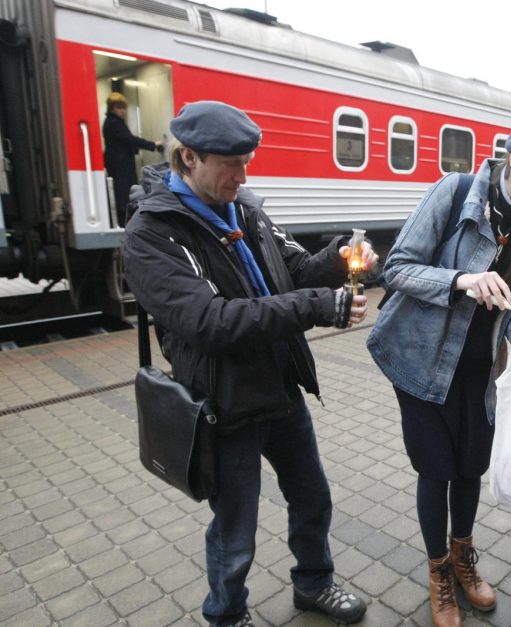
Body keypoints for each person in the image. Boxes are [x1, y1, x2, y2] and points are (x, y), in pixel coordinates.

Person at [123, 101, 375, 627]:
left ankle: (314, 585)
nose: (243, 175)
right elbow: (209, 321)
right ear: (187, 157)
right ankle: (226, 615)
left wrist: (337, 257)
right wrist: (318, 308)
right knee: (236, 526)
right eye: (230, 164)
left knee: (313, 497)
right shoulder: (153, 233)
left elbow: (297, 268)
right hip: (224, 402)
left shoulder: (246, 209)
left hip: (281, 388)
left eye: (247, 161)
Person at [367, 116, 511, 627]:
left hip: (480, 369)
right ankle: (439, 572)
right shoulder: (456, 190)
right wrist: (464, 279)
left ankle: (464, 559)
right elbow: (395, 268)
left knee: (470, 466)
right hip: (422, 360)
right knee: (436, 468)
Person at [102, 91, 163, 226]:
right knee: (124, 194)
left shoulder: (111, 122)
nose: (123, 111)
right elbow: (129, 139)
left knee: (123, 194)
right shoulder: (114, 123)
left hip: (117, 164)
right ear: (112, 108)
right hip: (120, 166)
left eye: (124, 107)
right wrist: (153, 145)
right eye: (119, 107)